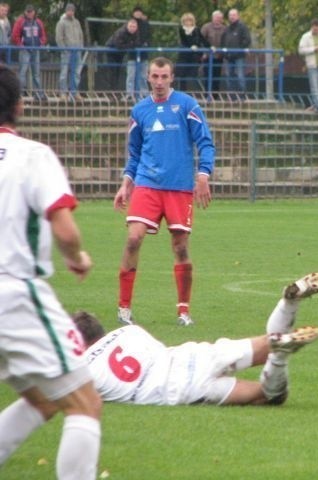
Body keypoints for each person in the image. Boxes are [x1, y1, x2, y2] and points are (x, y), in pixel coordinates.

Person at [0, 64, 102, 478]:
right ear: (20, 106)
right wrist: (76, 257)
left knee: (43, 399)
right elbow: (64, 226)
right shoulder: (32, 155)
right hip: (15, 293)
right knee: (84, 403)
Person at [74, 272, 318, 406]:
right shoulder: (129, 332)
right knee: (268, 341)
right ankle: (288, 304)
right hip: (191, 355)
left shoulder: (84, 373)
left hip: (181, 389)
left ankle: (280, 354)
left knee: (268, 396)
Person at [113, 57, 216, 327]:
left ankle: (183, 311)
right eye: (155, 77)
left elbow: (205, 142)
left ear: (172, 78)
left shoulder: (187, 105)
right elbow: (134, 154)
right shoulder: (140, 111)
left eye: (164, 77)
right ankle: (124, 309)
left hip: (179, 187)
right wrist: (126, 183)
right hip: (147, 184)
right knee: (133, 238)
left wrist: (203, 175)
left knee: (180, 246)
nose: (159, 82)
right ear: (147, 77)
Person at [11, 4, 47, 100]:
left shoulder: (38, 22)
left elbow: (43, 35)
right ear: (25, 12)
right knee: (22, 72)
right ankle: (20, 93)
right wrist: (20, 45)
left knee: (36, 73)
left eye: (31, 12)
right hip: (25, 50)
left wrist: (41, 43)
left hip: (36, 50)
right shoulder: (20, 21)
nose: (29, 13)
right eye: (28, 12)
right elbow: (15, 35)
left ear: (34, 12)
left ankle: (39, 93)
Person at [106, 18, 142, 101]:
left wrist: (129, 45)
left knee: (117, 72)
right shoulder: (121, 32)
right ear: (127, 26)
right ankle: (112, 94)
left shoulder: (136, 33)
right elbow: (118, 44)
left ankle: (115, 93)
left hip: (120, 54)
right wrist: (130, 45)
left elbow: (137, 44)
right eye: (131, 26)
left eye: (134, 26)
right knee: (112, 73)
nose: (132, 28)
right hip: (111, 52)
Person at [55, 3, 84, 101]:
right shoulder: (61, 23)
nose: (70, 12)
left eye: (72, 10)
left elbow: (81, 35)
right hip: (67, 52)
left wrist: (80, 47)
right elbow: (59, 38)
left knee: (76, 73)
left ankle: (75, 92)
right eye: (69, 10)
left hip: (77, 51)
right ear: (66, 11)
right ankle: (63, 92)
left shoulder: (77, 22)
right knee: (64, 72)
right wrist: (63, 50)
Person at [220, 8, 251, 100]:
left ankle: (242, 96)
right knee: (229, 76)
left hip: (239, 56)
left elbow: (247, 40)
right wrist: (224, 52)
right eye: (230, 15)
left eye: (233, 15)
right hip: (229, 57)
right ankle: (231, 96)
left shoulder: (242, 27)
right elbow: (223, 41)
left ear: (238, 16)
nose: (232, 17)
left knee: (240, 75)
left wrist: (238, 50)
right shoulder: (227, 28)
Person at [176, 12, 205, 92]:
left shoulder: (197, 29)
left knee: (193, 75)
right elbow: (184, 41)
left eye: (189, 20)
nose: (188, 23)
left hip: (194, 56)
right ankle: (182, 92)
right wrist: (191, 46)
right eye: (186, 21)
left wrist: (210, 47)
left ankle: (201, 92)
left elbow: (202, 40)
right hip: (184, 56)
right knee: (182, 75)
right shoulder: (182, 29)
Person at [200, 10, 226, 98]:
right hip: (208, 56)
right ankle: (207, 95)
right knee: (207, 76)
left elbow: (226, 42)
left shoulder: (224, 29)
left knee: (217, 76)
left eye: (220, 18)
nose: (218, 19)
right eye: (216, 17)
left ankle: (215, 96)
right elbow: (201, 40)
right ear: (212, 18)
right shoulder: (206, 27)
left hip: (219, 57)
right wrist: (204, 52)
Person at [132, 6, 151, 97]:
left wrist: (146, 44)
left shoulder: (145, 24)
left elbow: (148, 36)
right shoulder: (130, 23)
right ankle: (130, 94)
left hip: (143, 53)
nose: (138, 14)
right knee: (131, 75)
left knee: (144, 75)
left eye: (139, 12)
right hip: (132, 54)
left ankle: (144, 92)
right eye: (136, 12)